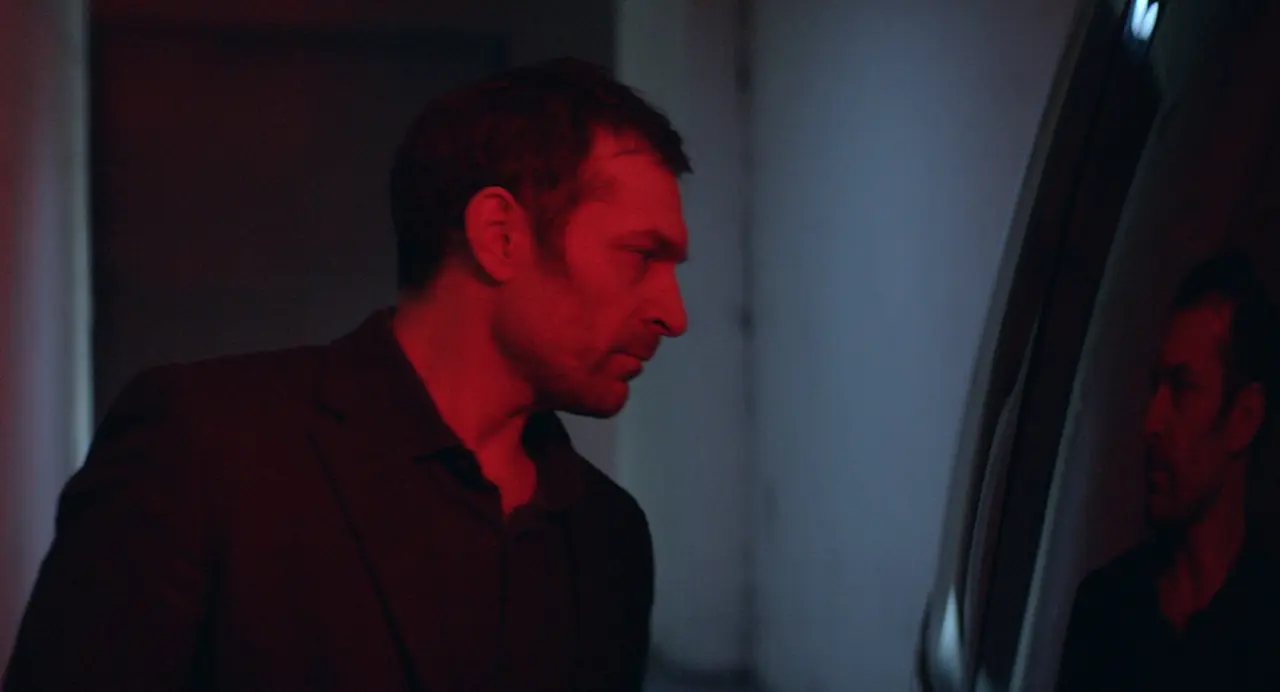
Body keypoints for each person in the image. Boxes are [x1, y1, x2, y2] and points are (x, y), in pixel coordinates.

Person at [2, 57, 691, 691]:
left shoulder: (609, 535)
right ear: (500, 235)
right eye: (640, 256)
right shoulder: (205, 448)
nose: (674, 313)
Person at [1055, 251, 1280, 691]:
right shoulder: (1105, 613)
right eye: (1155, 387)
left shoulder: (1268, 632)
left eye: (1183, 388)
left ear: (1243, 419)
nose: (1152, 422)